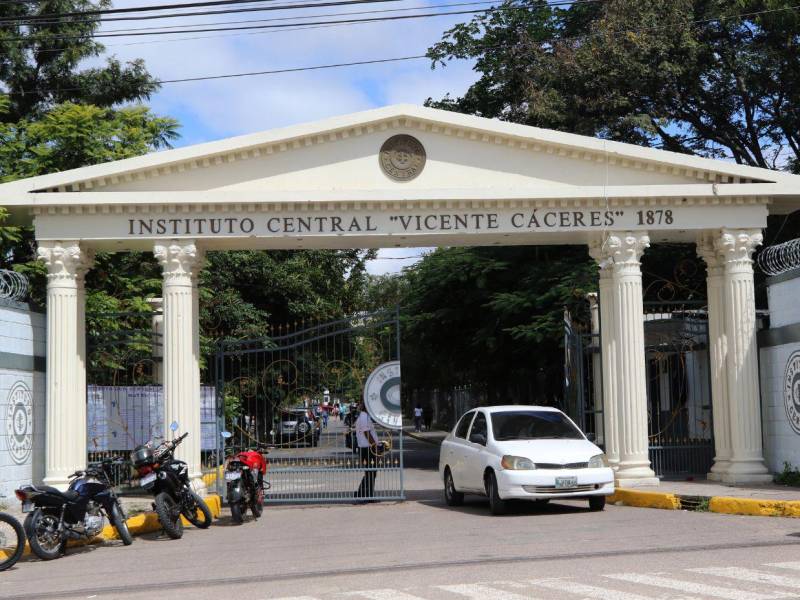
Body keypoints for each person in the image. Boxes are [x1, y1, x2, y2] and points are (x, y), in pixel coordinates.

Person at [354, 400, 378, 502]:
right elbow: (366, 433)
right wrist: (374, 446)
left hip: (369, 448)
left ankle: (368, 495)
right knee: (370, 472)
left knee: (372, 473)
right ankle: (362, 494)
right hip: (367, 449)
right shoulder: (363, 417)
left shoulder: (365, 416)